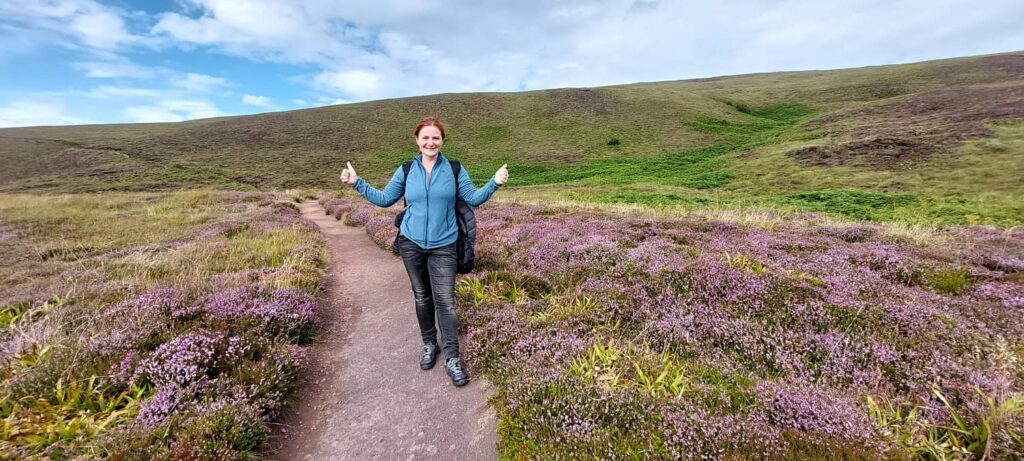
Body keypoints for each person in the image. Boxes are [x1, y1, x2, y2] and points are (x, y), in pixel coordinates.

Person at [339, 117, 509, 387]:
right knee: (422, 297)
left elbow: (474, 198)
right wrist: (357, 183)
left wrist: (495, 182)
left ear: (442, 141)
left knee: (446, 301)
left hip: (445, 244)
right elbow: (385, 200)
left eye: (436, 138)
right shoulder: (407, 169)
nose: (431, 142)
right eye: (425, 137)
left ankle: (453, 357)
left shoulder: (453, 169)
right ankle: (430, 344)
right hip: (412, 243)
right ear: (417, 140)